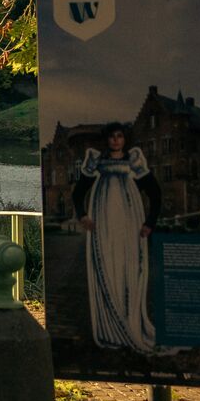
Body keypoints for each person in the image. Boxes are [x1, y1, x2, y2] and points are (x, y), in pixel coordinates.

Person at [72, 123, 162, 352]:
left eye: (119, 136)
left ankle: (129, 320)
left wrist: (149, 222)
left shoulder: (133, 160)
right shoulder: (96, 160)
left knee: (128, 264)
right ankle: (110, 328)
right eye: (111, 137)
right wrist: (83, 215)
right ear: (106, 139)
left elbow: (154, 192)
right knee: (107, 263)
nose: (115, 141)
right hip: (102, 219)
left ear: (125, 139)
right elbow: (79, 191)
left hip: (129, 217)